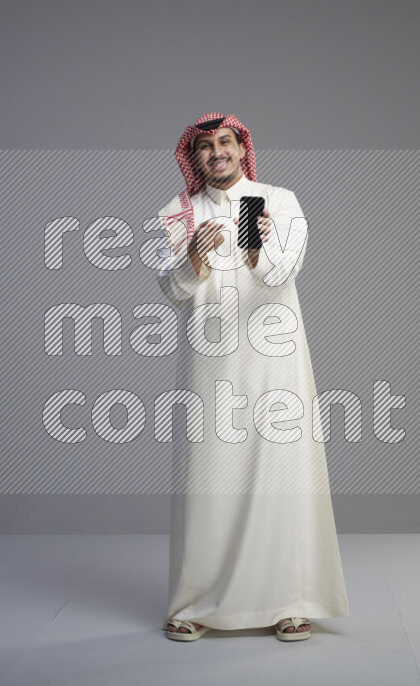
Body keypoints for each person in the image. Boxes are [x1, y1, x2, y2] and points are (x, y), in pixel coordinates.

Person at [155, 112, 349, 642]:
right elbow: (171, 291)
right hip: (209, 362)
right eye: (205, 147)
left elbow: (285, 274)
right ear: (192, 158)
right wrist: (191, 263)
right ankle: (193, 603)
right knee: (207, 476)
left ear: (242, 149)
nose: (217, 153)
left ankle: (290, 600)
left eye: (226, 143)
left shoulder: (280, 201)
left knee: (279, 474)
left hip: (275, 361)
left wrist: (255, 250)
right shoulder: (179, 212)